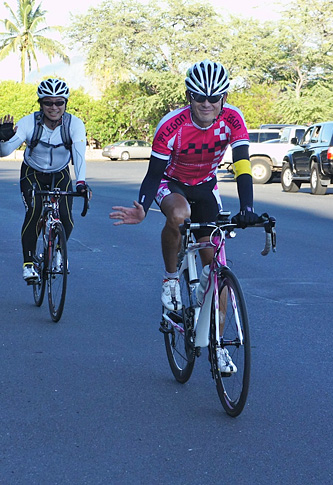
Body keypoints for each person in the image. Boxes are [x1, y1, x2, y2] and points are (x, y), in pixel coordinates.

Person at [109, 60, 258, 373]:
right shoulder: (172, 125)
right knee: (180, 214)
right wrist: (142, 205)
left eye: (213, 98)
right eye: (199, 97)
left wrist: (247, 208)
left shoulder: (234, 120)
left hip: (206, 187)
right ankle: (171, 278)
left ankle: (217, 348)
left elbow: (243, 164)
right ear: (189, 96)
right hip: (171, 183)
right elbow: (153, 175)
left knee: (218, 270)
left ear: (224, 98)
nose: (206, 103)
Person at [0, 78, 90, 283]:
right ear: (40, 103)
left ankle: (57, 251)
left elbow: (79, 154)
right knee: (35, 210)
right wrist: (3, 139)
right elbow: (4, 153)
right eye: (48, 102)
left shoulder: (74, 124)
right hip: (32, 172)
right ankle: (29, 264)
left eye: (59, 102)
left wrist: (81, 183)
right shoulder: (29, 122)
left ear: (66, 103)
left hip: (60, 173)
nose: (54, 107)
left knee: (66, 216)